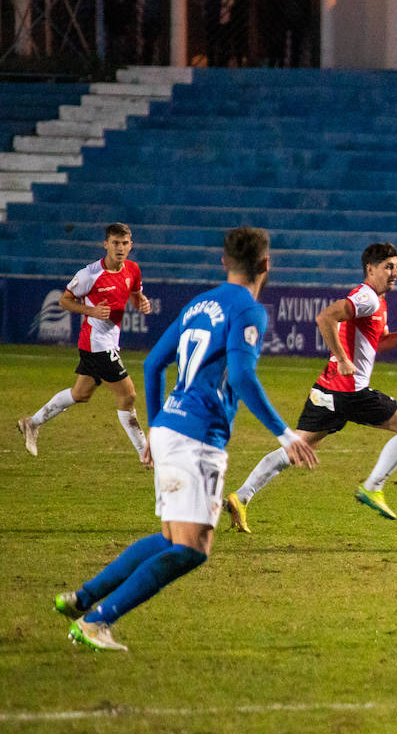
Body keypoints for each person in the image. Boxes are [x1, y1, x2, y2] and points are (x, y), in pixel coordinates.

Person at [55, 227, 318, 651]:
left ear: (223, 263)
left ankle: (82, 598)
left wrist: (155, 427)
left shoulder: (200, 302)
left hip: (170, 427)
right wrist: (286, 434)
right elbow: (245, 376)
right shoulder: (248, 310)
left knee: (170, 539)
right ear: (266, 265)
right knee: (194, 549)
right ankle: (97, 620)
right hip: (198, 437)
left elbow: (155, 363)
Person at [225, 243, 397, 530]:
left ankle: (240, 496)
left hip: (328, 391)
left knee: (297, 447)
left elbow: (380, 344)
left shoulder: (377, 301)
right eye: (389, 267)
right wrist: (342, 358)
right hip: (350, 392)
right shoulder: (366, 297)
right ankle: (372, 487)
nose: (395, 273)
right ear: (371, 269)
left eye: (396, 267)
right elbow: (325, 317)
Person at [17, 223, 152, 464]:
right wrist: (90, 310)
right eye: (115, 243)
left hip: (109, 340)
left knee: (81, 394)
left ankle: (31, 423)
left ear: (131, 245)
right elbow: (64, 301)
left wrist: (141, 301)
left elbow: (133, 293)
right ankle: (146, 455)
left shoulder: (133, 269)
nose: (120, 248)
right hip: (96, 343)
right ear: (106, 244)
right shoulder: (89, 275)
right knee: (128, 395)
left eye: (124, 243)